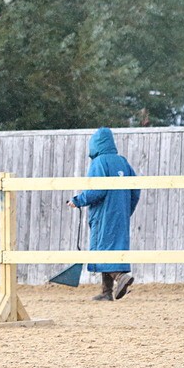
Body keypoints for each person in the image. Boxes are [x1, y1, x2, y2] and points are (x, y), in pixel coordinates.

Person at [67, 127, 141, 301]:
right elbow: (136, 189)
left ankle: (120, 277)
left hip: (103, 214)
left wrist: (78, 200)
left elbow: (97, 190)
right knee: (114, 247)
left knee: (102, 248)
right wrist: (127, 210)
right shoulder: (123, 162)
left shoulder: (99, 162)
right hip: (120, 214)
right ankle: (106, 292)